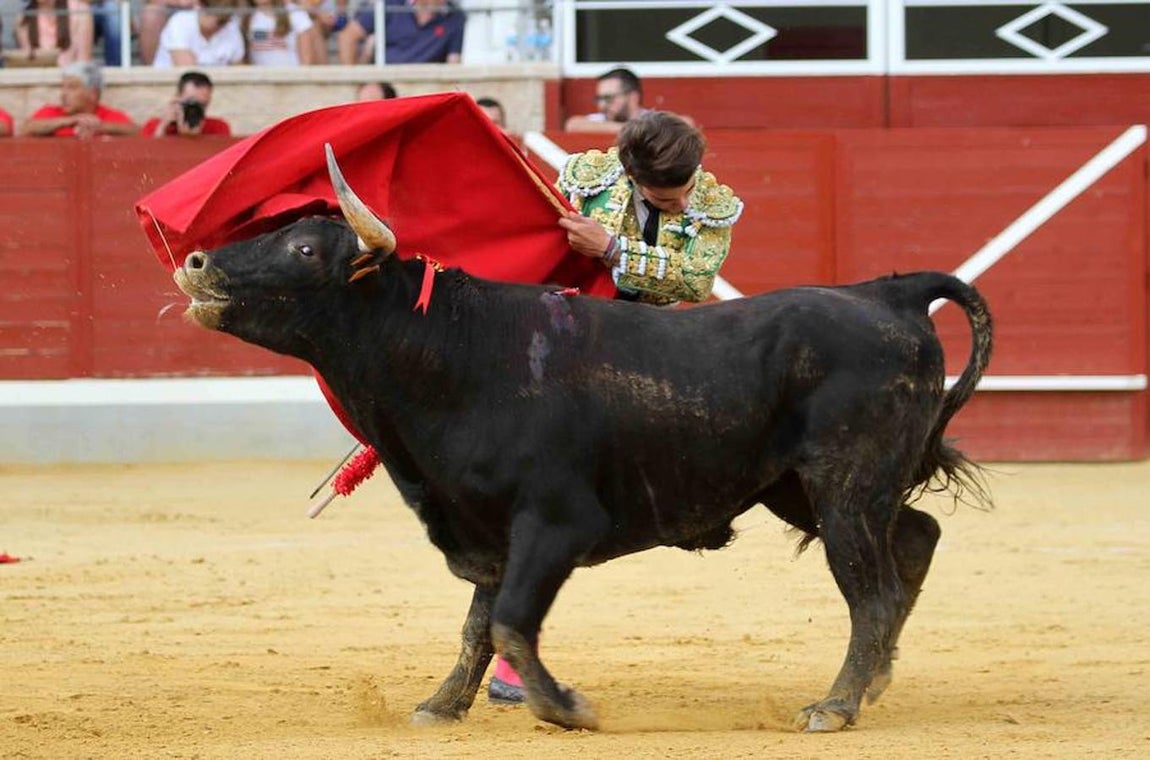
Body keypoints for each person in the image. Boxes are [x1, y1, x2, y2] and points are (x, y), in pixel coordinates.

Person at [486, 112, 744, 703]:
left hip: (650, 356)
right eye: (664, 196)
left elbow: (694, 281)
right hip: (567, 354)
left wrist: (613, 249)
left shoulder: (713, 202)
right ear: (630, 176)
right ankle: (513, 658)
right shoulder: (584, 177)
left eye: (685, 189)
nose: (681, 203)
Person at [21, 61, 138, 138]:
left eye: (72, 87)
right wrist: (71, 121)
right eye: (63, 87)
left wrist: (99, 126)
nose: (63, 94)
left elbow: (136, 132)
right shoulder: (52, 112)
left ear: (93, 94)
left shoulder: (107, 115)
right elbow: (26, 128)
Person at [337, 0, 464, 65]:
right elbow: (347, 36)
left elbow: (453, 62)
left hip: (425, 87)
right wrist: (354, 80)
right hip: (384, 82)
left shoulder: (454, 17)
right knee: (372, 93)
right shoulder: (390, 3)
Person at [152, 0, 246, 68]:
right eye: (220, 21)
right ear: (200, 7)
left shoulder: (231, 27)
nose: (223, 25)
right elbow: (188, 73)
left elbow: (239, 72)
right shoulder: (180, 22)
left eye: (226, 20)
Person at [141, 70, 233, 138]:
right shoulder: (154, 126)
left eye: (202, 105)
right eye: (190, 102)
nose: (195, 109)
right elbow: (146, 157)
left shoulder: (218, 128)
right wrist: (163, 127)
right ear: (177, 98)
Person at [563, 67, 645, 134]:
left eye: (608, 98)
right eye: (599, 99)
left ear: (633, 97)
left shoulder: (651, 120)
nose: (602, 105)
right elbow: (573, 125)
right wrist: (630, 130)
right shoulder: (602, 119)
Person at [12, 0, 90, 66]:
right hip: (40, 79)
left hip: (72, 80)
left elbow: (83, 63)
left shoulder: (80, 11)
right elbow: (30, 62)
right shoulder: (24, 18)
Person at [243, 0, 319, 66]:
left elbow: (306, 61)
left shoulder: (295, 13)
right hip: (259, 80)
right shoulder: (246, 18)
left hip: (291, 78)